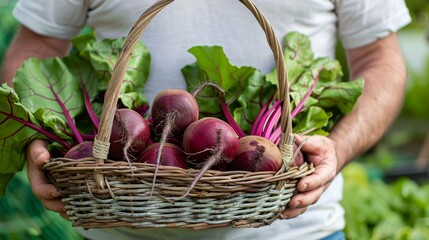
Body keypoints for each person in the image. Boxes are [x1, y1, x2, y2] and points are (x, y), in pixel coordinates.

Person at [0, 0, 411, 239]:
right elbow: (37, 43)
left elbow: (379, 60)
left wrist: (338, 147)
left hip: (297, 230)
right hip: (113, 221)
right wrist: (44, 144)